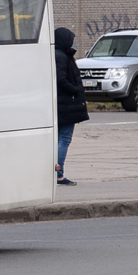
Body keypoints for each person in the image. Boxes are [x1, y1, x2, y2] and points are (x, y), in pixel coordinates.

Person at [54, 27, 90, 185]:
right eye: (71, 39)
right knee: (64, 139)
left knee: (59, 139)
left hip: (63, 104)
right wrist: (75, 90)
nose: (74, 43)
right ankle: (58, 173)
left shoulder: (62, 55)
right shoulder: (61, 56)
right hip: (66, 105)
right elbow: (61, 79)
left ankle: (55, 171)